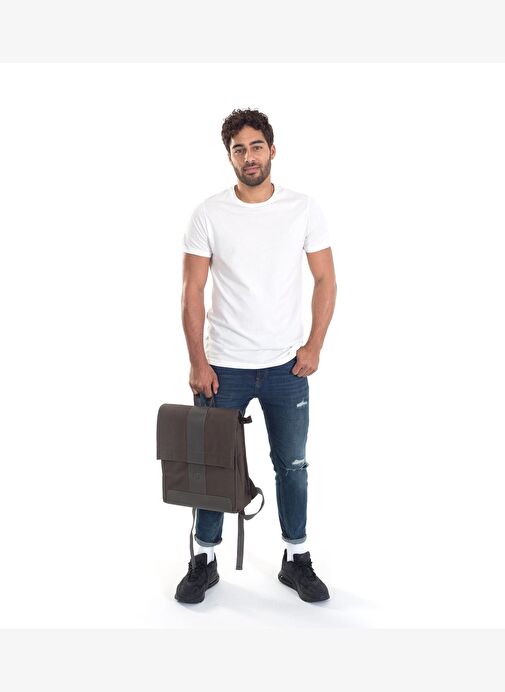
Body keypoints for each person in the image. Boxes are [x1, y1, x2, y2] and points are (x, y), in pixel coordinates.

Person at [175, 108, 337, 604]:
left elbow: (326, 279)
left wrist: (314, 345)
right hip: (224, 367)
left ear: (272, 150)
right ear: (230, 156)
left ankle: (296, 558)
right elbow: (192, 290)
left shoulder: (302, 208)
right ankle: (204, 560)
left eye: (256, 146)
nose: (249, 156)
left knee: (293, 465)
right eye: (239, 149)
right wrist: (198, 362)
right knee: (211, 466)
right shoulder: (208, 213)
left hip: (286, 366)